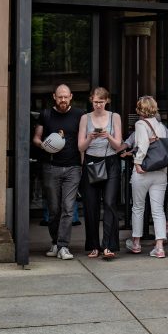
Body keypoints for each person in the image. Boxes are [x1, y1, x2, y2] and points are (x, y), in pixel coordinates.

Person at [32, 84, 85, 260]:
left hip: (73, 167)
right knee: (54, 209)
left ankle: (63, 246)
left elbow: (83, 142)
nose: (63, 100)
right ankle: (55, 243)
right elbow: (36, 139)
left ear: (71, 96)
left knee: (68, 208)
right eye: (60, 97)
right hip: (51, 167)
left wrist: (83, 165)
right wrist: (47, 145)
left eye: (66, 97)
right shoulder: (46, 115)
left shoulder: (79, 115)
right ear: (54, 96)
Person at [77, 87, 123, 260]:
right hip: (91, 162)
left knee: (110, 202)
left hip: (110, 161)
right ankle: (94, 245)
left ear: (107, 101)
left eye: (101, 102)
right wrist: (90, 137)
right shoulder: (85, 118)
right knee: (91, 205)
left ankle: (109, 245)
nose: (98, 105)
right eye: (95, 102)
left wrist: (107, 136)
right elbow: (80, 147)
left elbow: (118, 145)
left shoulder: (114, 117)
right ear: (91, 101)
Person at [128, 96, 168, 258]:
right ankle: (159, 247)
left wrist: (138, 162)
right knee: (158, 210)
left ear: (140, 109)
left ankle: (136, 243)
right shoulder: (161, 126)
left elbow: (143, 144)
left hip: (143, 172)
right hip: (160, 172)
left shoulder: (140, 124)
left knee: (138, 207)